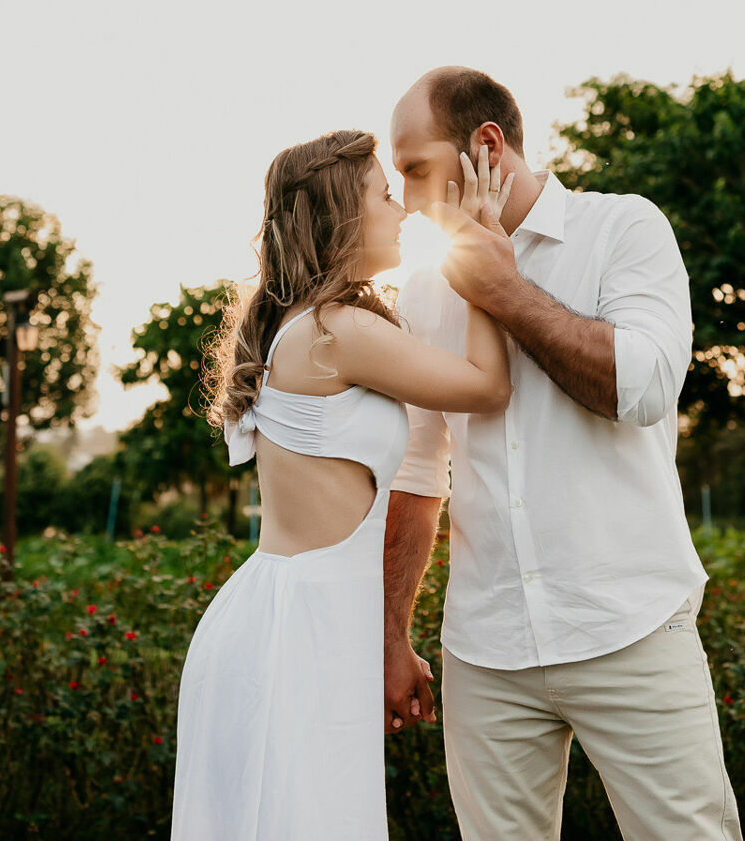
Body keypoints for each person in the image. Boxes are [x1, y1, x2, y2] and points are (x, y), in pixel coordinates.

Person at [383, 67, 744, 840]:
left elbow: (643, 388)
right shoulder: (420, 293)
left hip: (632, 624)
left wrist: (503, 291)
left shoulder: (624, 230)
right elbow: (418, 468)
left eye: (416, 169)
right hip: (486, 647)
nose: (408, 200)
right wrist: (392, 635)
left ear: (487, 145)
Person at [170, 128, 513, 840]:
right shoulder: (335, 332)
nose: (403, 211)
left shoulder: (314, 327)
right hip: (301, 630)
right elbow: (487, 386)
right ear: (343, 216)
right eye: (385, 196)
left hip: (301, 618)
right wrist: (485, 252)